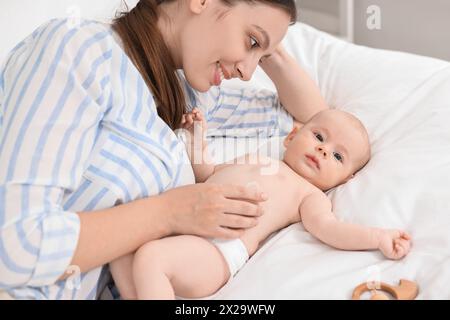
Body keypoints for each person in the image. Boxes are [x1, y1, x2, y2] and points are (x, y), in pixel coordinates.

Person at [0, 0, 324, 299]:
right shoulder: (78, 49)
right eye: (250, 41)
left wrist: (271, 46)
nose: (248, 73)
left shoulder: (191, 96)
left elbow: (315, 121)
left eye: (261, 56)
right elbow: (14, 246)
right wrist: (169, 213)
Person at [110, 106, 412, 300]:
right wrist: (196, 138)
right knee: (121, 244)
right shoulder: (259, 159)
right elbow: (208, 174)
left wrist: (378, 237)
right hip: (186, 228)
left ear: (345, 180)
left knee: (152, 258)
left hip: (218, 250)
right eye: (319, 136)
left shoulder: (309, 194)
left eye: (337, 156)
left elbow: (329, 229)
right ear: (291, 136)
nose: (322, 149)